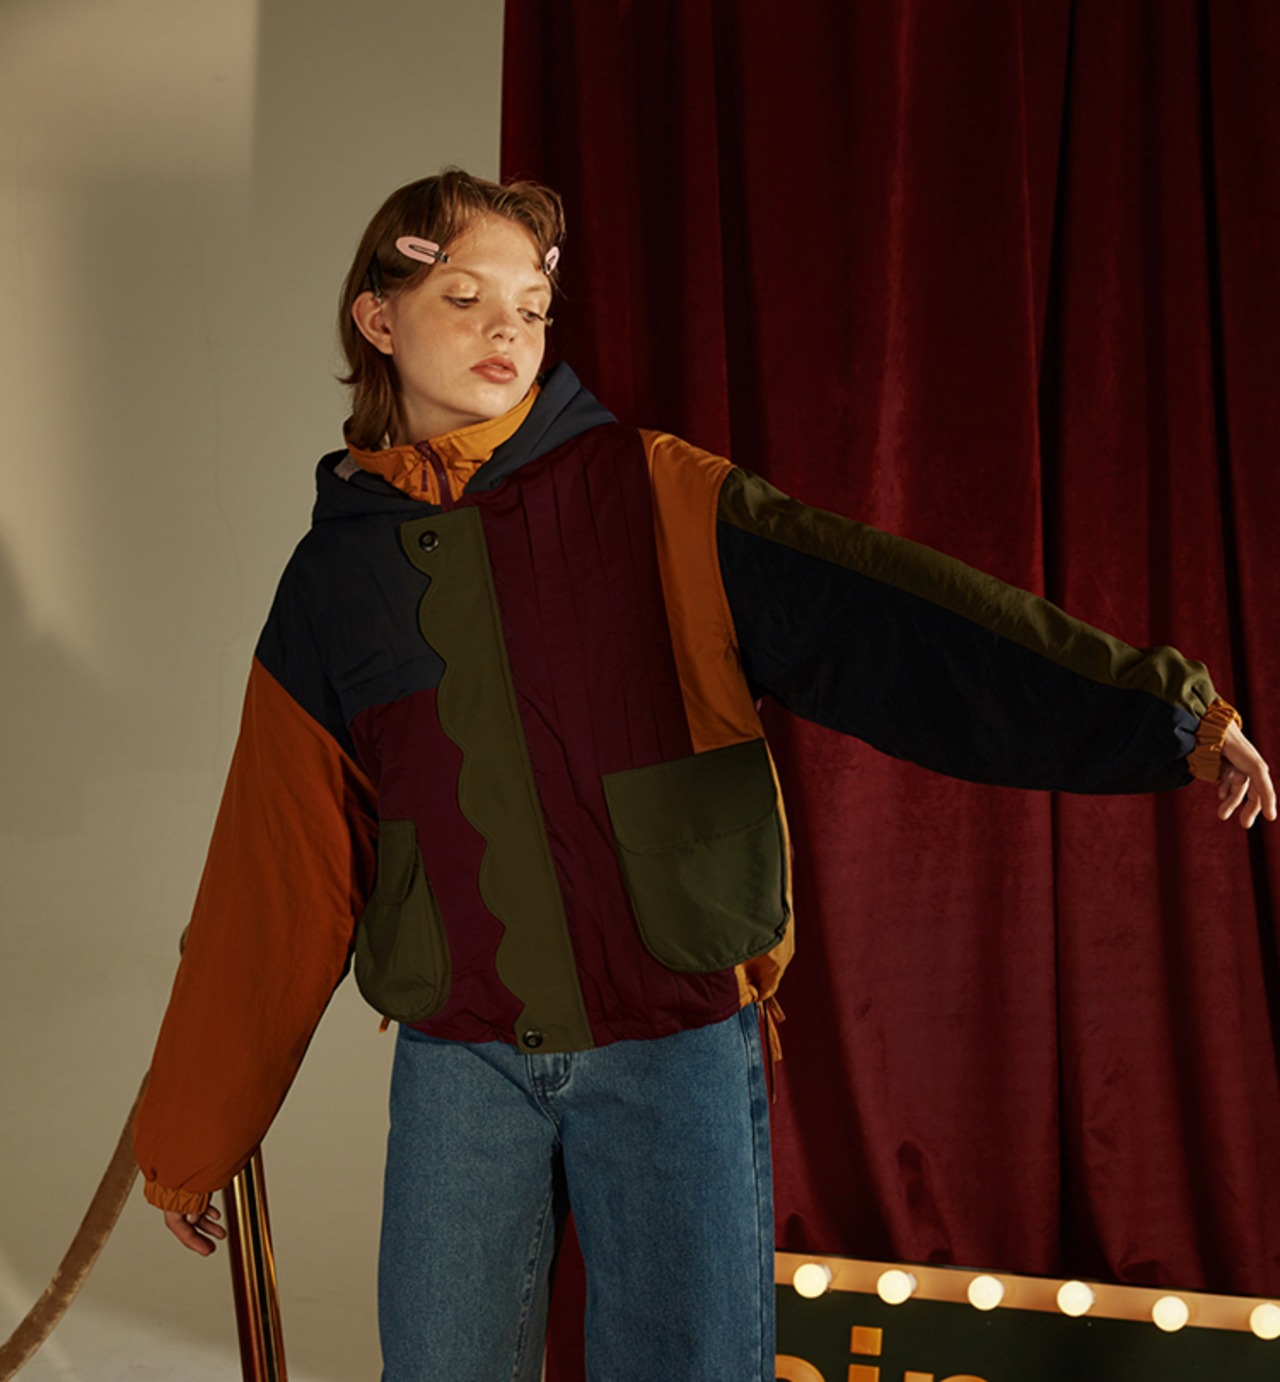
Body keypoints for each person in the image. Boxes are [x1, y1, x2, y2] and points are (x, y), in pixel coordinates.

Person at [133, 169, 1276, 1382]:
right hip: (462, 1061)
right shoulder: (333, 581)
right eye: (463, 297)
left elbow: (903, 621)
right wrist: (191, 1131)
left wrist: (1165, 712)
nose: (505, 330)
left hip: (668, 1037)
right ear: (377, 318)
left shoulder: (655, 491)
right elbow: (279, 862)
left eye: (530, 308)